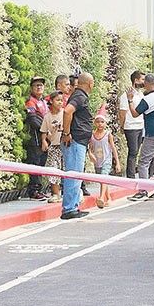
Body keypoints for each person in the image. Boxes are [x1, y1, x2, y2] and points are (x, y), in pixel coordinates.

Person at [127, 74, 154, 201]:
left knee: (143, 162)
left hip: (153, 135)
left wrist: (130, 100)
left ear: (146, 83)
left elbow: (135, 114)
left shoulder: (147, 100)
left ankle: (143, 190)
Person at [60, 72, 95, 219]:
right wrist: (67, 133)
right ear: (89, 84)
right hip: (75, 142)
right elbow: (67, 112)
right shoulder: (80, 96)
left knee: (76, 175)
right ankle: (69, 209)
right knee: (73, 175)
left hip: (79, 142)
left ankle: (73, 205)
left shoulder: (78, 95)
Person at [25, 76, 49, 200]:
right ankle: (34, 190)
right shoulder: (30, 102)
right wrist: (46, 128)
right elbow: (33, 120)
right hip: (35, 138)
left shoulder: (44, 102)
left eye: (41, 85)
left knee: (41, 164)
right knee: (35, 164)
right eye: (36, 85)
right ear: (31, 88)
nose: (39, 87)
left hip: (44, 138)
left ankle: (38, 189)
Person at [88, 113, 120, 208]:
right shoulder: (92, 135)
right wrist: (90, 154)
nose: (100, 124)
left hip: (107, 160)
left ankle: (101, 198)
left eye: (102, 122)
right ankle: (109, 198)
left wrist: (117, 162)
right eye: (97, 122)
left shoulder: (108, 134)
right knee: (102, 180)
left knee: (103, 177)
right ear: (94, 123)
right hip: (97, 161)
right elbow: (90, 148)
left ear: (105, 123)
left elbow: (113, 148)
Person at [40, 90, 65, 203]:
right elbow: (44, 131)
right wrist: (44, 141)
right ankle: (56, 194)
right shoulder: (47, 117)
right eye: (57, 100)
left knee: (67, 169)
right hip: (54, 146)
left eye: (62, 100)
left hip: (65, 145)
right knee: (54, 169)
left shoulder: (65, 113)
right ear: (51, 101)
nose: (60, 102)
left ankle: (74, 192)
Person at [118, 70, 145, 178]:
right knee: (133, 151)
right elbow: (122, 113)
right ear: (136, 80)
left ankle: (133, 172)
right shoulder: (126, 95)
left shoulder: (141, 94)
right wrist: (122, 126)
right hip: (131, 126)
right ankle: (130, 176)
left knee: (136, 151)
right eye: (142, 79)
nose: (144, 82)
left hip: (140, 125)